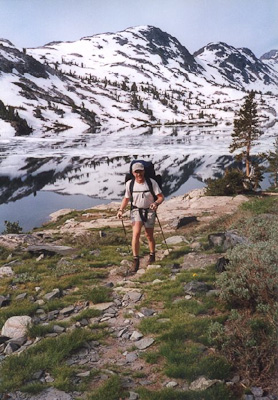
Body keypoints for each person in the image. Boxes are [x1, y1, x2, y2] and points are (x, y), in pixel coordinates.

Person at [117, 162, 164, 273]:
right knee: (136, 233)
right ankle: (136, 260)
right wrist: (120, 210)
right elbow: (126, 198)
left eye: (140, 171)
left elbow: (161, 197)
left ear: (144, 171)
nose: (139, 174)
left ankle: (152, 255)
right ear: (133, 173)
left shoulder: (151, 182)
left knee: (149, 235)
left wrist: (156, 203)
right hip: (136, 210)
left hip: (150, 211)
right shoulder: (130, 184)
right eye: (136, 172)